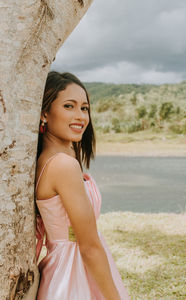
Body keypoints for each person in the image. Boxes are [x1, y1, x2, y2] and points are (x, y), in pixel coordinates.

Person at [35, 71, 130, 300]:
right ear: (44, 113)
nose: (80, 116)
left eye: (84, 108)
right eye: (69, 106)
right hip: (73, 271)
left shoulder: (52, 158)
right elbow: (88, 246)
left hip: (67, 264)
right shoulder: (63, 166)